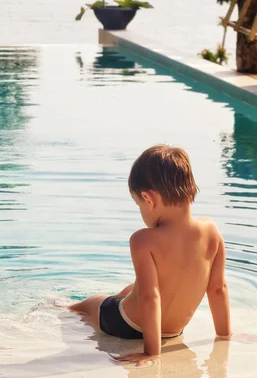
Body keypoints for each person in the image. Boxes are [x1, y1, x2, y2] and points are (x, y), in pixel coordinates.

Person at [69, 145, 231, 366]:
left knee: (91, 302)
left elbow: (150, 297)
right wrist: (225, 336)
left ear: (148, 199)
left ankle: (63, 305)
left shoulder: (143, 239)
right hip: (173, 330)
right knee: (132, 288)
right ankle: (121, 298)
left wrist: (151, 353)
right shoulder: (212, 231)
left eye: (138, 204)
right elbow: (217, 289)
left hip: (127, 325)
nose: (141, 210)